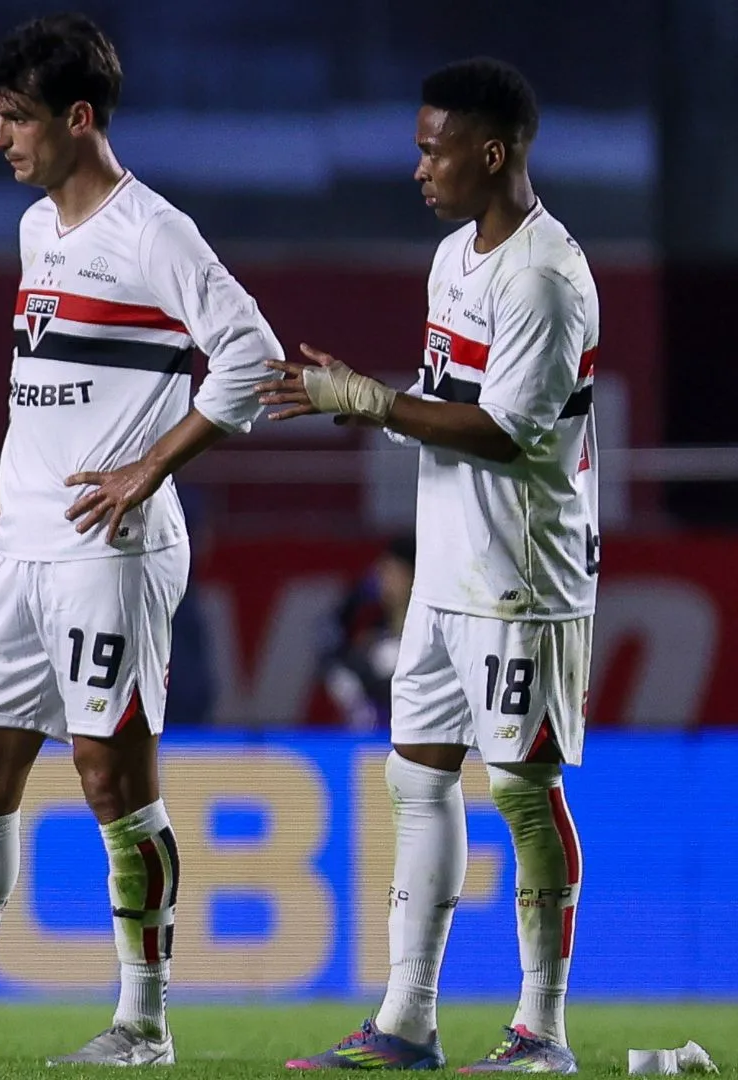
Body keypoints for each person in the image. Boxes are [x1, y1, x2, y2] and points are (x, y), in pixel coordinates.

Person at [0, 13, 281, 1067]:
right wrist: (10, 468)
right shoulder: (39, 232)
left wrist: (147, 467)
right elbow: (53, 375)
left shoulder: (152, 231)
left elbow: (249, 356)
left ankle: (144, 1022)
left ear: (79, 119)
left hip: (110, 549)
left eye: (15, 119)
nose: (1, 142)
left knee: (114, 781)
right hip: (23, 543)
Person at [267, 59, 597, 1074]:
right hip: (447, 574)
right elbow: (447, 393)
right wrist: (371, 393)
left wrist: (364, 401)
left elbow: (501, 431)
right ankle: (407, 1021)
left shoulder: (543, 276)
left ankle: (542, 1030)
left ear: (490, 153)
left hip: (522, 579)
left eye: (432, 146)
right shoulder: (453, 257)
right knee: (418, 783)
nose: (418, 166)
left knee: (523, 791)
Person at [322, 536, 417, 731]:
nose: (385, 581)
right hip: (372, 745)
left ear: (413, 575)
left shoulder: (431, 639)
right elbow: (329, 638)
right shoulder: (370, 641)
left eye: (394, 573)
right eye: (382, 573)